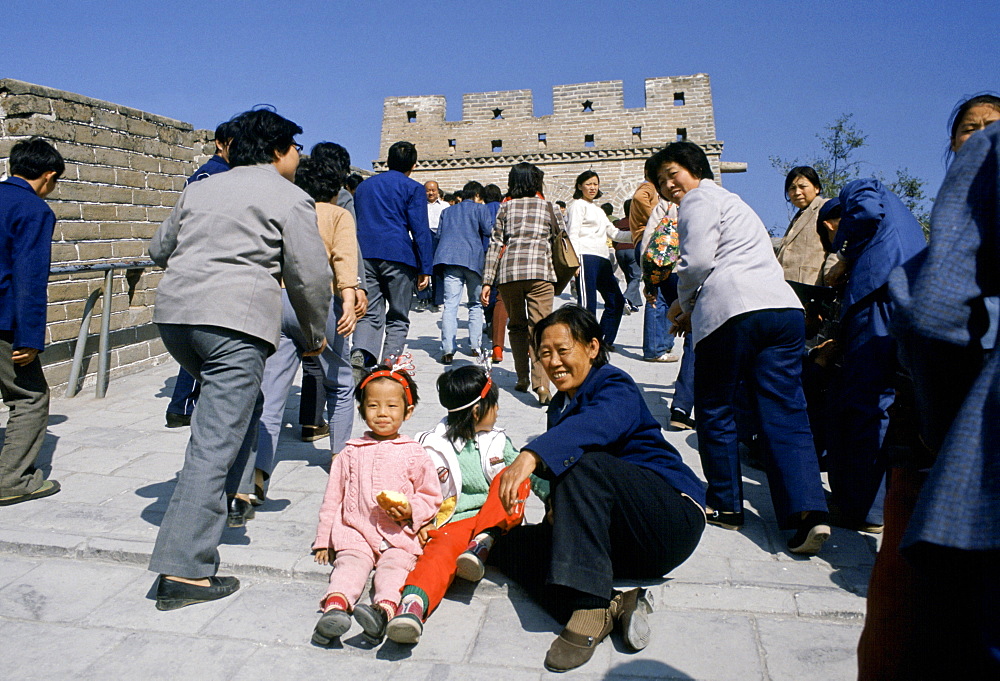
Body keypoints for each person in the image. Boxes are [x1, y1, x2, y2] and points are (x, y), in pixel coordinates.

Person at [147, 108, 332, 610]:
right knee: (213, 442)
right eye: (294, 148)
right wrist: (314, 333)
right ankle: (183, 570)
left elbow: (159, 248)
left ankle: (229, 503)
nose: (299, 157)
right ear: (276, 150)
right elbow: (311, 279)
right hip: (234, 325)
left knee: (239, 416)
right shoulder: (290, 198)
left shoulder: (201, 188)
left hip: (177, 320)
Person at [858, 101, 1000, 680]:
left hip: (954, 450)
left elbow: (933, 316)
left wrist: (945, 431)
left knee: (916, 625)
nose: (985, 134)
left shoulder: (988, 162)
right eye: (972, 127)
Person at [488, 305, 705, 673]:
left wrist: (531, 454)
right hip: (615, 542)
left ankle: (587, 608)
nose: (554, 362)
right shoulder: (558, 406)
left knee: (582, 459)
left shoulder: (614, 384)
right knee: (508, 545)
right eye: (544, 353)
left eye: (563, 350)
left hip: (668, 520)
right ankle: (614, 604)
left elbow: (597, 426)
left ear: (592, 347)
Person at [655, 141, 831, 554]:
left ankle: (727, 506)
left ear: (695, 169)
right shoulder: (738, 203)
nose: (669, 185)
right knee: (786, 409)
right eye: (661, 182)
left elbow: (696, 262)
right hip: (782, 310)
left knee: (715, 406)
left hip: (733, 309)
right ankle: (808, 513)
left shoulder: (698, 199)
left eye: (672, 174)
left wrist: (683, 305)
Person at [233, 153, 362, 526]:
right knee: (338, 383)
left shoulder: (288, 208)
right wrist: (350, 302)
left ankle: (257, 474)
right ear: (336, 188)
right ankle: (338, 459)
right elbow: (344, 262)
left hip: (280, 300)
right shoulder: (338, 215)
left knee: (271, 394)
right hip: (320, 303)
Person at [385, 365, 546, 644]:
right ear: (476, 412)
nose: (497, 411)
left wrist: (555, 497)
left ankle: (483, 542)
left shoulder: (498, 442)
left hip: (498, 524)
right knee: (437, 553)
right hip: (456, 524)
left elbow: (529, 474)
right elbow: (411, 488)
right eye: (493, 405)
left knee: (512, 476)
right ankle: (412, 607)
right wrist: (418, 520)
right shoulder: (430, 445)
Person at [819, 177, 926, 532]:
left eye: (833, 224)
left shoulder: (860, 187)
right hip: (904, 298)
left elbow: (864, 211)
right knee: (877, 401)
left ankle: (863, 507)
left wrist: (845, 256)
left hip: (877, 294)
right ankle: (872, 505)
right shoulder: (904, 221)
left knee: (864, 402)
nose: (833, 230)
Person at [311, 361, 442, 646]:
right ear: (361, 411)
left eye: (392, 407)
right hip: (356, 531)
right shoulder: (349, 454)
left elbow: (431, 496)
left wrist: (412, 511)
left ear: (408, 411)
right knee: (348, 566)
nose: (382, 413)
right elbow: (333, 497)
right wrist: (324, 540)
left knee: (395, 570)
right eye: (373, 406)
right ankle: (336, 608)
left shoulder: (415, 453)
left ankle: (382, 611)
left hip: (399, 536)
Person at [0, 138, 64, 507]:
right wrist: (29, 337)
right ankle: (13, 479)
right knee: (30, 397)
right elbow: (29, 278)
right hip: (4, 320)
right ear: (48, 175)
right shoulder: (33, 209)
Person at [164, 120, 236, 429]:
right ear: (221, 143)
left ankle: (183, 404)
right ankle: (182, 405)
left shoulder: (207, 174)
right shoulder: (217, 176)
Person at [296, 142, 368, 443]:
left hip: (288, 296)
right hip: (328, 295)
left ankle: (256, 473)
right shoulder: (340, 206)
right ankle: (339, 453)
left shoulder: (292, 204)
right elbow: (347, 253)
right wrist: (354, 292)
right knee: (338, 376)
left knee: (278, 383)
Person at [481, 163, 559, 406]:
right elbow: (560, 237)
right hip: (540, 273)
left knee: (516, 326)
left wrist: (487, 281)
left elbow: (495, 245)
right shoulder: (549, 207)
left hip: (509, 274)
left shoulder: (505, 208)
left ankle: (522, 377)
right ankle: (542, 385)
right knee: (540, 328)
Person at [351, 141, 433, 374]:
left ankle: (362, 353)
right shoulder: (413, 188)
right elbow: (420, 230)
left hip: (365, 254)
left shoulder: (365, 187)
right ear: (413, 165)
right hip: (399, 256)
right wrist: (425, 267)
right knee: (398, 314)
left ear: (387, 161)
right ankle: (389, 361)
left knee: (369, 312)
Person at [566, 171, 630, 349]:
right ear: (580, 186)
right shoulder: (577, 206)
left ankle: (603, 341)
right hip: (585, 257)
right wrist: (574, 262)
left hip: (603, 259)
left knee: (616, 301)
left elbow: (614, 233)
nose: (592, 187)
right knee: (588, 305)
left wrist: (638, 235)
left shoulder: (599, 210)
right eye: (588, 184)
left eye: (595, 184)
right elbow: (573, 233)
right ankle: (584, 344)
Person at [433, 185, 493, 363]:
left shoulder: (448, 211)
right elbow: (489, 231)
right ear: (476, 195)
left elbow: (439, 235)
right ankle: (475, 346)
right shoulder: (480, 209)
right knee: (475, 304)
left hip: (449, 259)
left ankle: (448, 349)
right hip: (473, 260)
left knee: (451, 304)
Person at [633, 160, 678, 363]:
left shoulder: (666, 203)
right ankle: (655, 349)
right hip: (663, 256)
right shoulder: (651, 190)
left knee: (664, 300)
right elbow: (649, 233)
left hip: (661, 255)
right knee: (659, 300)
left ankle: (663, 346)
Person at [774, 166, 831, 285]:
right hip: (791, 289)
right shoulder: (799, 216)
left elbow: (839, 242)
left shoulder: (825, 207)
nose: (797, 192)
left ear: (816, 188)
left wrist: (831, 276)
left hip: (813, 287)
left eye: (802, 186)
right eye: (792, 188)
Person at [481, 184, 507, 362]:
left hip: (486, 254)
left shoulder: (482, 209)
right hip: (505, 255)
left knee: (488, 290)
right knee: (501, 294)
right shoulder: (505, 208)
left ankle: (490, 321)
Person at [416, 179, 448, 312]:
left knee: (438, 270)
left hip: (439, 238)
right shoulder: (418, 205)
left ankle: (437, 299)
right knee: (421, 268)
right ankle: (423, 297)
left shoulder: (445, 206)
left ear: (438, 191)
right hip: (423, 237)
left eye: (433, 190)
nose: (430, 193)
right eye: (428, 190)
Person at [614, 199, 642, 313]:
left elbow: (615, 237)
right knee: (636, 277)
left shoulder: (619, 222)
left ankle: (634, 303)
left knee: (629, 277)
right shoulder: (637, 222)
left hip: (620, 251)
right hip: (632, 250)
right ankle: (625, 298)